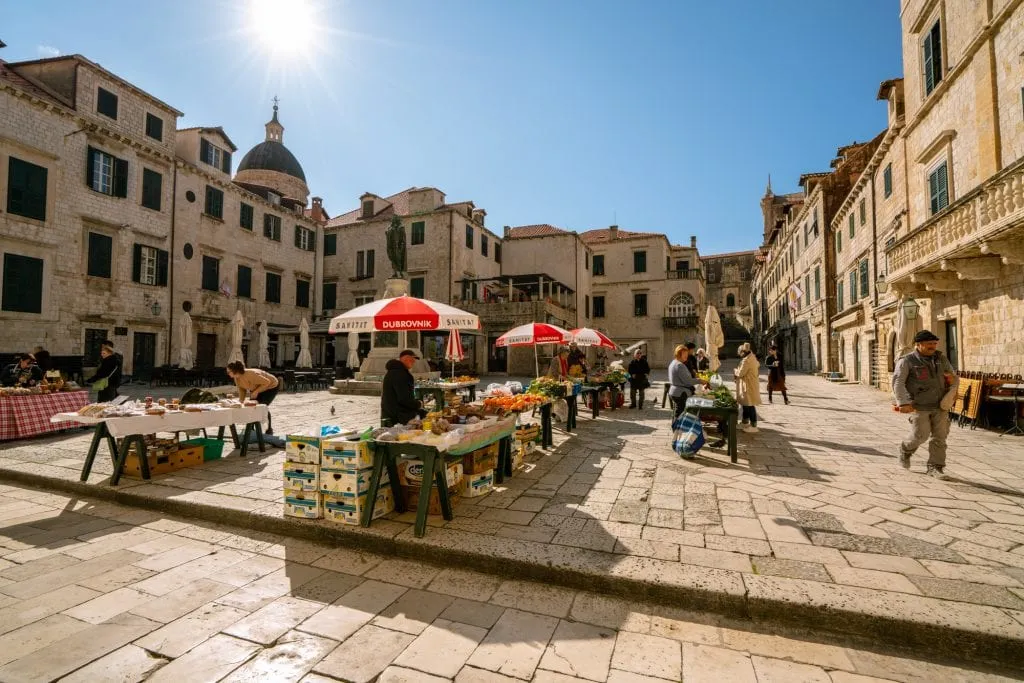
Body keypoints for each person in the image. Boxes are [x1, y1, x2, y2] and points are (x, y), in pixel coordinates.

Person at [892, 329, 958, 479]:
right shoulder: (906, 361)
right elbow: (898, 382)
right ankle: (905, 450)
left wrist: (952, 389)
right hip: (918, 405)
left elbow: (952, 376)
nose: (933, 346)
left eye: (934, 343)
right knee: (920, 436)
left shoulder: (941, 358)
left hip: (940, 405)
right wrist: (903, 402)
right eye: (929, 344)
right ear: (919, 344)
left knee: (940, 437)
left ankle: (935, 467)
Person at [227, 360, 280, 434]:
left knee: (262, 406)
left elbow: (267, 382)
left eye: (229, 372)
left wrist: (256, 391)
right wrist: (240, 402)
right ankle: (251, 430)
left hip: (271, 386)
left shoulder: (250, 374)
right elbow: (242, 390)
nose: (228, 373)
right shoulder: (236, 378)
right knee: (250, 406)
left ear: (235, 371)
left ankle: (269, 429)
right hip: (257, 388)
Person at [381, 349, 424, 426]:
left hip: (391, 412)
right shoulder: (400, 374)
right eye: (412, 358)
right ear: (406, 358)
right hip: (398, 416)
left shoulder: (395, 371)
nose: (414, 361)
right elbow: (404, 399)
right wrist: (418, 404)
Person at [667, 344, 708, 419]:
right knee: (680, 413)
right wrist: (700, 381)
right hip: (680, 392)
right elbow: (688, 381)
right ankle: (678, 428)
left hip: (675, 391)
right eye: (684, 354)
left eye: (686, 353)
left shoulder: (673, 362)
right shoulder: (679, 365)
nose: (686, 355)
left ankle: (677, 427)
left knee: (678, 412)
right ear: (679, 354)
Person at [734, 342, 761, 433]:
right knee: (745, 403)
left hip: (748, 384)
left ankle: (754, 425)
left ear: (743, 352)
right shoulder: (752, 357)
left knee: (750, 404)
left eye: (740, 353)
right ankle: (745, 422)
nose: (740, 355)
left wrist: (735, 371)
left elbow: (741, 373)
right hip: (749, 383)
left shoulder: (747, 360)